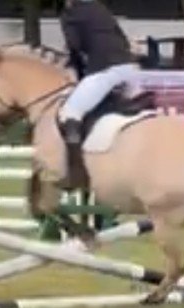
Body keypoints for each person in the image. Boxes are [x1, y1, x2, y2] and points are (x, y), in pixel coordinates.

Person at [58, 0, 138, 178]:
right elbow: (122, 39)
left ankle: (77, 173)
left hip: (105, 69)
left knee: (70, 112)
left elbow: (76, 47)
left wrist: (76, 71)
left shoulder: (70, 14)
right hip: (130, 68)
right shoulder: (100, 8)